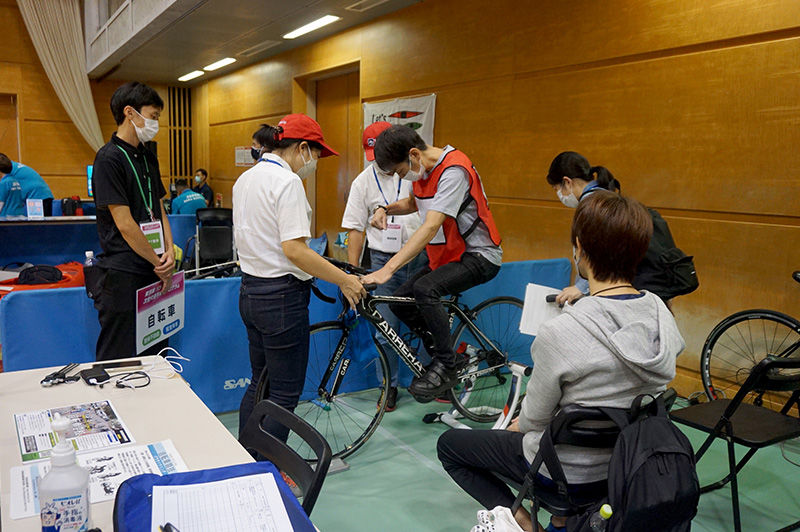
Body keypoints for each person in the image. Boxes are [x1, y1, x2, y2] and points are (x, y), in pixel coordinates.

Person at [437, 191, 685, 532]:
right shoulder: (661, 313)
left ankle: (527, 525)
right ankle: (562, 521)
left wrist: (518, 426)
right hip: (628, 464)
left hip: (565, 474)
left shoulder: (560, 331)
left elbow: (533, 420)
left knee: (450, 446)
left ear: (580, 248)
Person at [234, 114, 366, 442]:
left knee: (259, 383)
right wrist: (345, 280)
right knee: (283, 394)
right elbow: (294, 249)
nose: (316, 164)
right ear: (303, 148)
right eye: (318, 156)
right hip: (281, 298)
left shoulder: (245, 180)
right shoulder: (287, 182)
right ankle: (270, 469)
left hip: (250, 292)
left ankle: (249, 460)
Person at [361, 125, 503, 401]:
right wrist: (384, 208)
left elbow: (430, 225)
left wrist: (387, 269)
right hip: (449, 256)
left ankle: (446, 366)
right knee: (399, 299)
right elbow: (415, 203)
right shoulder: (424, 170)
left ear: (414, 154)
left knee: (426, 289)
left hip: (480, 255)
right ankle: (445, 352)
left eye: (401, 172)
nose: (403, 177)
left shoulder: (454, 170)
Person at [341, 121, 428, 411]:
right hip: (382, 260)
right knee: (385, 328)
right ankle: (388, 386)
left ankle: (430, 379)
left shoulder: (418, 171)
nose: (382, 165)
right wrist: (352, 273)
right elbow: (354, 229)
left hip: (420, 257)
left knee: (428, 322)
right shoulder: (362, 182)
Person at [91, 81, 174, 361]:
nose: (155, 124)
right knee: (120, 356)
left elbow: (159, 207)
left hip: (156, 268)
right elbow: (125, 224)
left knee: (156, 352)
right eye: (153, 116)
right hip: (125, 271)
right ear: (130, 113)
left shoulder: (149, 155)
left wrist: (169, 252)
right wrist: (157, 262)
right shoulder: (108, 159)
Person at [547, 151, 690, 307]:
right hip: (647, 291)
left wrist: (581, 287)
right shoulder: (609, 198)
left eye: (557, 190)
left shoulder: (594, 208)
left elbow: (603, 260)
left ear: (567, 182)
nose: (560, 196)